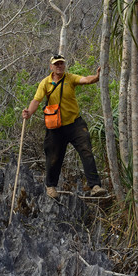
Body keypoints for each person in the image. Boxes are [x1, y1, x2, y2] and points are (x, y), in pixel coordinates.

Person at [22, 54, 106, 199]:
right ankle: (51, 187)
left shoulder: (70, 78)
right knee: (53, 157)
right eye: (56, 64)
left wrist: (97, 77)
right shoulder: (45, 83)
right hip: (55, 127)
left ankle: (95, 186)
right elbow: (36, 100)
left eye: (61, 63)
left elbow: (85, 80)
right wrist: (29, 112)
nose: (59, 66)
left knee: (86, 152)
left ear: (64, 65)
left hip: (75, 124)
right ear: (51, 67)